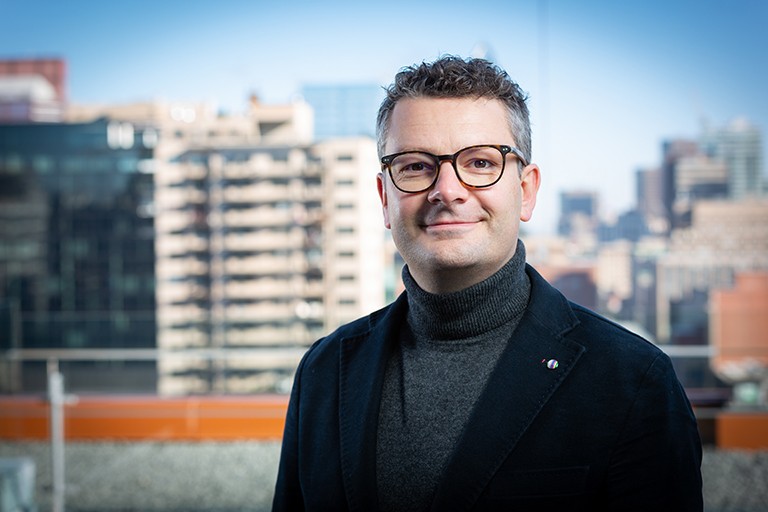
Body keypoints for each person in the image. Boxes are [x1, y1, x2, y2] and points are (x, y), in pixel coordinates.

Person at [272, 55, 702, 511]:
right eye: (416, 166)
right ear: (384, 197)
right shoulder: (324, 371)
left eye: (479, 163)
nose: (448, 189)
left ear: (527, 191)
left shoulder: (631, 380)